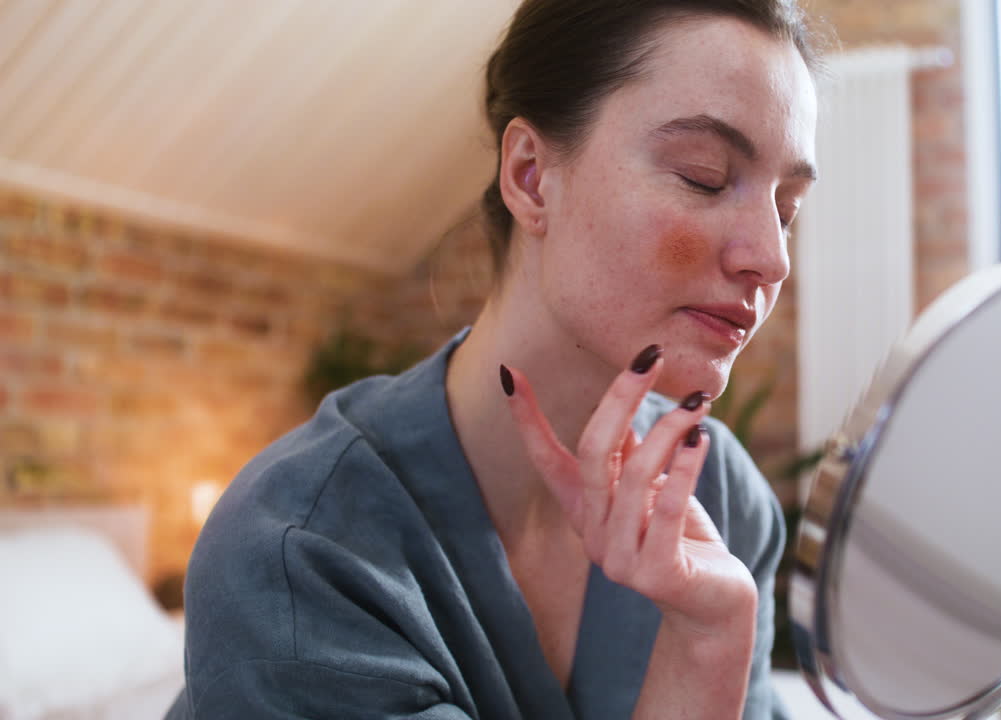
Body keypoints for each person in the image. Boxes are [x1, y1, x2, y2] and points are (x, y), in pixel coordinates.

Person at [166, 0, 821, 717]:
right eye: (703, 175)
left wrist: (711, 634)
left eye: (787, 208)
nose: (771, 257)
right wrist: (699, 653)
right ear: (532, 176)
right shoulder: (299, 549)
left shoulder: (721, 494)